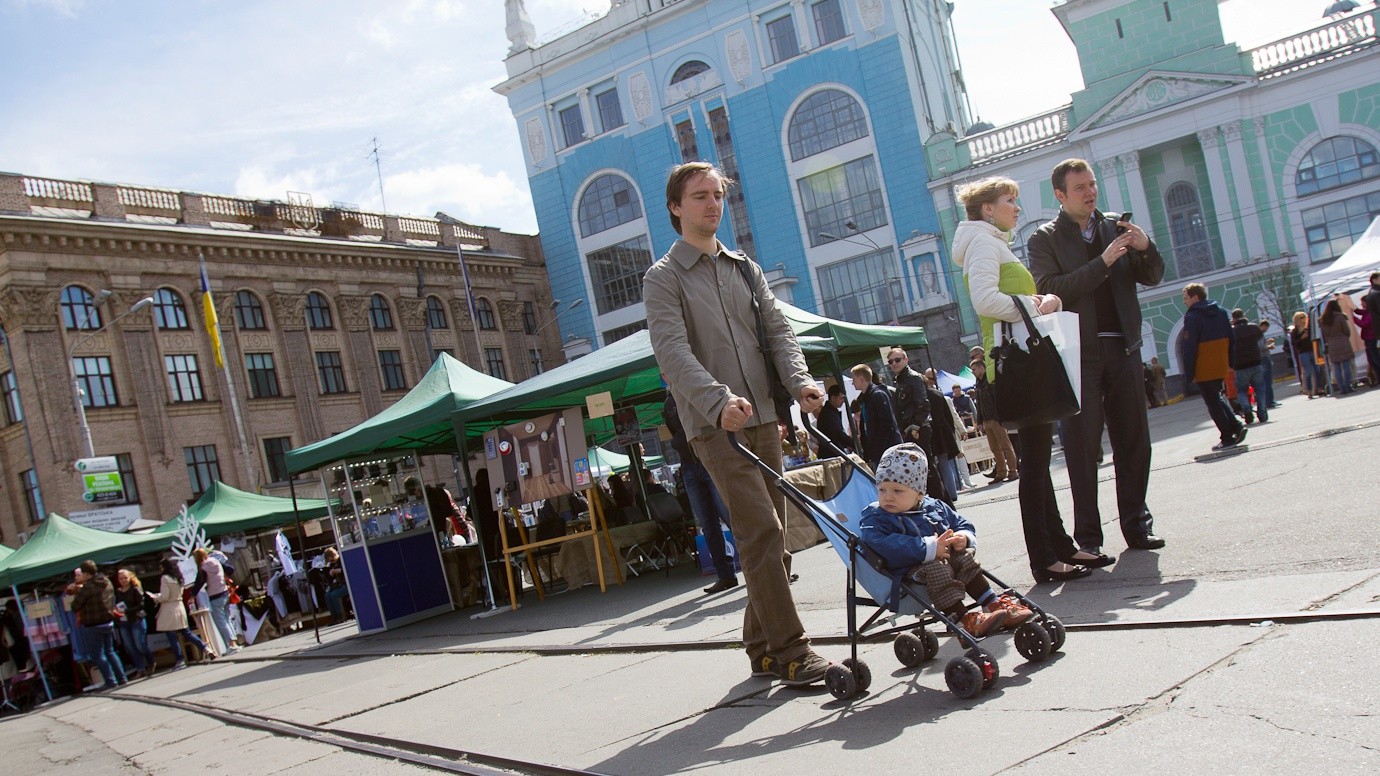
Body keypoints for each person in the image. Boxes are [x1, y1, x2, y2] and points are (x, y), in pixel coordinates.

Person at [644, 161, 832, 686]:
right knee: (762, 530)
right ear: (676, 207)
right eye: (700, 196)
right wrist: (716, 401)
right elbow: (672, 352)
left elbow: (778, 331)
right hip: (714, 426)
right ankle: (792, 651)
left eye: (718, 195)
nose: (712, 204)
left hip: (764, 416)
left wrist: (800, 383)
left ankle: (760, 647)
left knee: (768, 537)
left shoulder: (745, 268)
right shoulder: (663, 277)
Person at [953, 175, 1096, 582]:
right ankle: (1044, 558)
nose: (1017, 208)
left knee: (1037, 461)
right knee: (1034, 464)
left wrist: (1040, 303)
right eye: (1009, 201)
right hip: (1016, 365)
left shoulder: (990, 242)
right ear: (987, 209)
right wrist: (1036, 304)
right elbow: (985, 300)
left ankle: (1060, 547)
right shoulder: (984, 244)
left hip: (1019, 361)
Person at [1027, 158, 1165, 555]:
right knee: (1082, 448)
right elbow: (1051, 288)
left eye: (1092, 184)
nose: (1090, 193)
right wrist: (1102, 262)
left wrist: (1145, 248)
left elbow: (1152, 275)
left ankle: (1137, 526)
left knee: (1134, 441)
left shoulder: (1116, 227)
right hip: (1077, 356)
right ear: (1060, 195)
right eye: (1080, 188)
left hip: (1124, 347)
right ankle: (1088, 539)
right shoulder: (1044, 239)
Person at [857, 444, 1032, 637]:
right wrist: (929, 547)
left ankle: (992, 603)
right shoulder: (876, 518)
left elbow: (960, 522)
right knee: (937, 568)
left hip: (943, 560)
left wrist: (963, 537)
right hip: (908, 571)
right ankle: (962, 620)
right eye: (882, 490)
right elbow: (883, 545)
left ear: (919, 493)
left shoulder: (934, 506)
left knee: (963, 557)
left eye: (897, 491)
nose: (888, 497)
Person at [663, 389, 740, 595]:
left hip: (710, 459)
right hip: (689, 466)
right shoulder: (668, 404)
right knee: (708, 524)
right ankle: (725, 575)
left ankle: (760, 567)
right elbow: (674, 432)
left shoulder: (695, 389)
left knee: (731, 516)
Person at [1181, 283, 1248, 451]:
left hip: (1203, 364)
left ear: (1195, 297)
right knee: (1216, 397)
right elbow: (1231, 338)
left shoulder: (1192, 317)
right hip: (1220, 362)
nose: (1184, 302)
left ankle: (1227, 437)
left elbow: (1189, 346)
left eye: (1186, 298)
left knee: (1212, 403)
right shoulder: (1221, 312)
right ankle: (1236, 426)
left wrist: (1189, 372)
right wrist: (1230, 362)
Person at [70, 560, 128, 689]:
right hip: (108, 621)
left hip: (93, 624)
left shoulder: (88, 587)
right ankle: (122, 678)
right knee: (110, 652)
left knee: (98, 655)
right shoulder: (107, 581)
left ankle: (110, 681)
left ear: (86, 573)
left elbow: (75, 606)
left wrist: (77, 591)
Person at [968, 356, 1019, 482]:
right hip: (986, 420)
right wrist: (979, 421)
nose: (973, 372)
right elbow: (979, 404)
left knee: (1005, 446)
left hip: (996, 419)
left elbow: (998, 400)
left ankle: (1013, 471)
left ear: (981, 368)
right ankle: (1001, 473)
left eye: (974, 369)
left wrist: (998, 417)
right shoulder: (978, 383)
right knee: (995, 449)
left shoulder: (990, 380)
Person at [154, 557, 209, 668]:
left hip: (169, 609)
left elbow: (165, 596)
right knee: (186, 632)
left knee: (172, 635)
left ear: (164, 567)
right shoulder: (179, 577)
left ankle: (180, 660)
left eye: (161, 566)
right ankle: (205, 648)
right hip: (180, 606)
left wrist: (156, 597)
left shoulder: (164, 578)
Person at [851, 363, 903, 470]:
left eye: (854, 379)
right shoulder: (866, 398)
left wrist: (877, 447)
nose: (852, 383)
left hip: (887, 450)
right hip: (877, 452)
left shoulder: (878, 395)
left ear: (861, 379)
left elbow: (887, 423)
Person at [191, 548, 239, 655]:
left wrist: (192, 596)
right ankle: (235, 643)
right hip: (225, 592)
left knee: (221, 622)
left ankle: (230, 645)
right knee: (227, 619)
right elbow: (230, 569)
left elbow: (199, 582)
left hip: (215, 596)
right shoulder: (216, 561)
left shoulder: (204, 567)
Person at [1230, 308, 1269, 423]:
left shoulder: (1231, 331)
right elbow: (1259, 341)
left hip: (1240, 366)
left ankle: (1247, 409)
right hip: (1255, 362)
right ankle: (1262, 412)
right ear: (1243, 315)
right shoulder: (1253, 327)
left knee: (1242, 390)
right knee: (1260, 389)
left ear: (1233, 318)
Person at [113, 569, 154, 679]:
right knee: (130, 647)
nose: (123, 580)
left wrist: (127, 611)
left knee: (140, 645)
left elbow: (141, 605)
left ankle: (151, 661)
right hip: (124, 622)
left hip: (137, 619)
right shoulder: (118, 592)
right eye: (121, 578)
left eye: (125, 578)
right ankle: (140, 669)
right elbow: (117, 605)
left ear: (130, 577)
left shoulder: (135, 589)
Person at [1320, 297, 1356, 395]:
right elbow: (1346, 330)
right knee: (1346, 366)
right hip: (1343, 342)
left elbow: (1324, 334)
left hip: (1331, 344)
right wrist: (1345, 336)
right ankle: (1348, 386)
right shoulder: (1340, 316)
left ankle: (1341, 388)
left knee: (1336, 367)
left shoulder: (1323, 319)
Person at [1289, 310, 1324, 398]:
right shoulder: (1295, 331)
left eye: (1304, 317)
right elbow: (1294, 343)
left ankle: (1319, 388)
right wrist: (1302, 338)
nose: (1303, 319)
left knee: (1317, 370)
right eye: (1301, 317)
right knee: (1308, 371)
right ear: (1297, 319)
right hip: (1303, 352)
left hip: (1312, 350)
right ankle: (1309, 390)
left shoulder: (1309, 328)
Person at [815, 383, 854, 457]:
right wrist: (854, 443)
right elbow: (839, 434)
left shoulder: (831, 412)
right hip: (831, 453)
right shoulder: (828, 414)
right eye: (841, 398)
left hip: (833, 451)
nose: (843, 401)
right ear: (833, 398)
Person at [322, 547, 351, 623]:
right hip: (338, 584)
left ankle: (340, 615)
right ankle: (333, 615)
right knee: (327, 595)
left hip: (346, 584)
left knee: (334, 595)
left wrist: (334, 571)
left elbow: (344, 570)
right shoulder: (332, 564)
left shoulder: (341, 560)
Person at [1257, 323, 1280, 408]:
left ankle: (1269, 400)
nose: (1266, 329)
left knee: (1266, 380)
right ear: (1262, 326)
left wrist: (1267, 342)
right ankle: (1269, 401)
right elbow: (1260, 347)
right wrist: (1269, 346)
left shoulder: (1259, 335)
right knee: (1267, 380)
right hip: (1264, 358)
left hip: (1263, 358)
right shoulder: (1259, 334)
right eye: (1266, 327)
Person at [1354, 298, 1377, 386]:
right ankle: (1377, 378)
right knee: (1371, 360)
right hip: (1368, 338)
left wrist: (1354, 318)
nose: (1361, 304)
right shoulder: (1367, 311)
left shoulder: (1370, 313)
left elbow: (1363, 324)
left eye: (1362, 303)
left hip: (1371, 338)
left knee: (1374, 359)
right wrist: (1353, 309)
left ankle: (1378, 377)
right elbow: (1361, 312)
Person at [1363, 272, 1380, 381]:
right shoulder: (1376, 293)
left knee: (1375, 356)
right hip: (1375, 331)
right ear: (1374, 280)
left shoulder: (1371, 293)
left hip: (1376, 331)